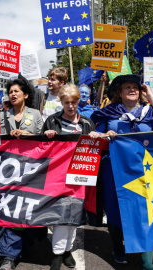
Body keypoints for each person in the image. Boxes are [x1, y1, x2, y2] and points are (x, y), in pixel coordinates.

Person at [90, 74, 153, 270]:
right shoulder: (108, 112)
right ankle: (118, 248)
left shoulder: (149, 112)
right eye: (127, 87)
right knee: (115, 208)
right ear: (119, 92)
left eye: (136, 87)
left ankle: (146, 261)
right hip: (114, 168)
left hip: (144, 168)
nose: (132, 89)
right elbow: (97, 138)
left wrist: (150, 94)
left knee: (146, 209)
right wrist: (104, 135)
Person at [0, 76, 43, 270]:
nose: (12, 94)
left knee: (27, 210)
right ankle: (9, 256)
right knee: (11, 210)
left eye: (16, 91)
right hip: (7, 171)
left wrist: (28, 135)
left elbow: (44, 141)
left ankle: (25, 243)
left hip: (30, 170)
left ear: (26, 95)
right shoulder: (1, 115)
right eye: (10, 91)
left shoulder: (36, 115)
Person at [42, 84, 96, 270]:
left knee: (75, 215)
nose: (71, 106)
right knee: (59, 215)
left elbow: (94, 150)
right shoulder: (51, 121)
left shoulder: (87, 123)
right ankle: (57, 254)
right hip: (57, 177)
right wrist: (46, 135)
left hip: (80, 176)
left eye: (74, 102)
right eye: (67, 103)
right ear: (61, 102)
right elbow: (41, 149)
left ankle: (68, 250)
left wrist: (99, 136)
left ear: (79, 101)